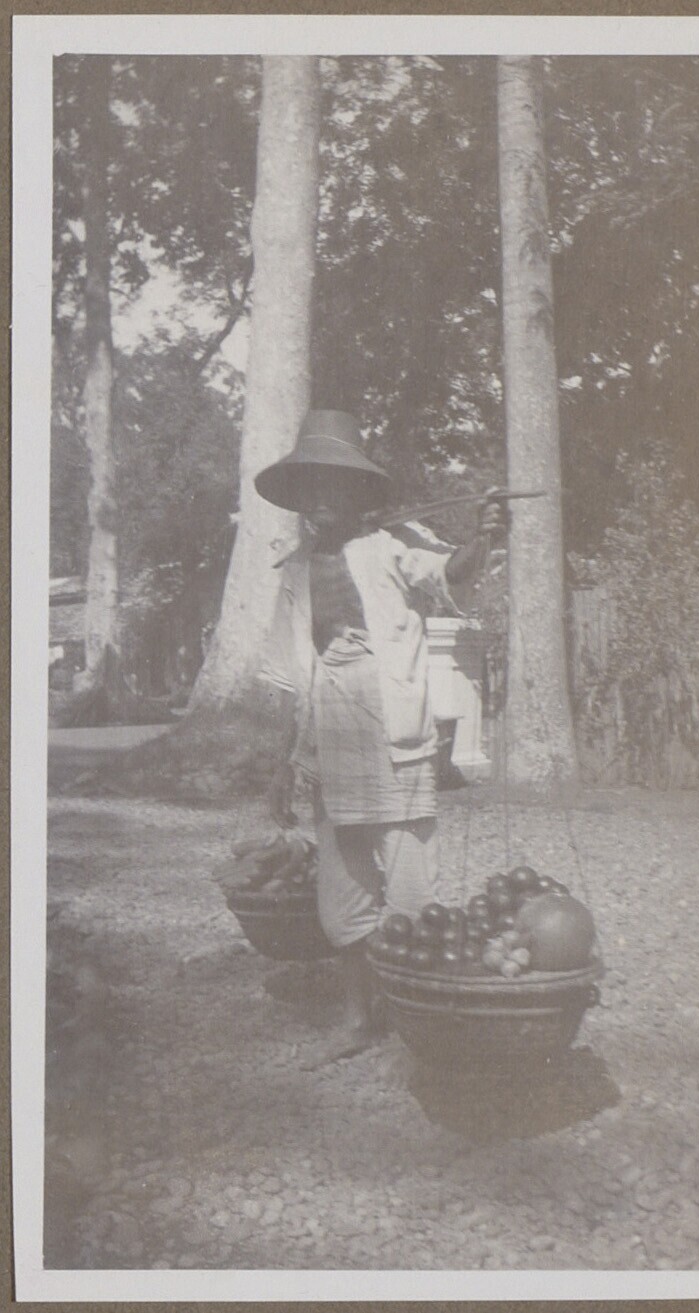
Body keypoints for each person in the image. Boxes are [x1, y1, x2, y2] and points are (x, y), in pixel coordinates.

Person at [255, 410, 505, 1065]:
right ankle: (359, 1016)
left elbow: (448, 572)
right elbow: (289, 677)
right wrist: (283, 764)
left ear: (357, 492)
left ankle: (422, 1016)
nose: (320, 500)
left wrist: (484, 534)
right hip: (328, 734)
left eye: (333, 485)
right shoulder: (293, 572)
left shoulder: (390, 549)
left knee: (412, 889)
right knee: (342, 896)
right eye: (310, 486)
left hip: (394, 728)